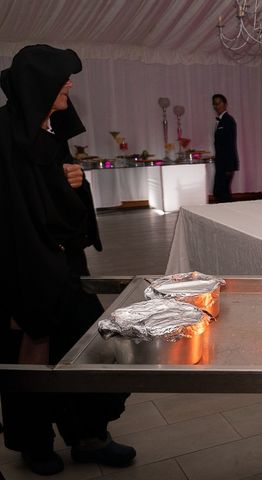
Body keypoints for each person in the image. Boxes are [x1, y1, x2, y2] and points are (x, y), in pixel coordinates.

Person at [0, 44, 136, 475]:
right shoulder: (2, 134)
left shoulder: (50, 131)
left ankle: (89, 436)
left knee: (91, 349)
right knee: (32, 357)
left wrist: (76, 183)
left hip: (64, 269)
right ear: (40, 84)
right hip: (23, 268)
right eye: (63, 78)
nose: (70, 85)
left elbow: (61, 198)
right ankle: (34, 444)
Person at [212, 93, 239, 203]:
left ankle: (228, 217)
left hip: (226, 163)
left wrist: (229, 166)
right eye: (214, 104)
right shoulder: (221, 121)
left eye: (218, 103)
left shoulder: (228, 120)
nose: (216, 106)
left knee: (223, 193)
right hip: (221, 162)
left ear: (225, 104)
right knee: (219, 192)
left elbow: (230, 144)